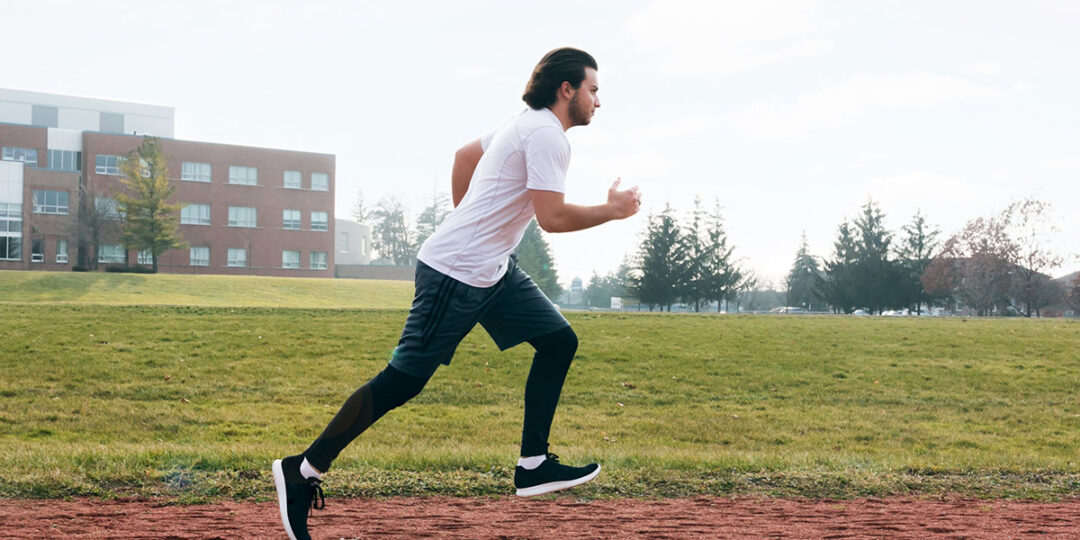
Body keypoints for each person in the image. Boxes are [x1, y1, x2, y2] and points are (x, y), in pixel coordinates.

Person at [273, 47, 642, 540]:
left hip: (493, 270)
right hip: (456, 273)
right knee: (403, 381)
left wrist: (472, 223)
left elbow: (465, 156)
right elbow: (552, 219)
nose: (598, 101)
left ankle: (533, 464)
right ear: (567, 89)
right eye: (593, 90)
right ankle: (302, 470)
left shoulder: (523, 122)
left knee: (559, 341)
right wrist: (612, 211)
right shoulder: (547, 135)